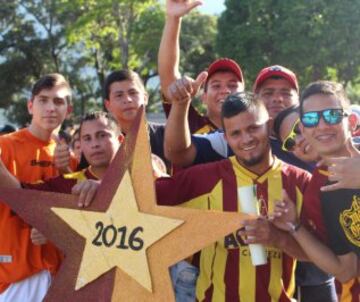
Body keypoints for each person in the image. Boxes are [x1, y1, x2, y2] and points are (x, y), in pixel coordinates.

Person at [156, 91, 311, 301]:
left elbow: (318, 256)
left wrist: (277, 238)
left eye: (253, 128)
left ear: (269, 125)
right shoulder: (205, 179)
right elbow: (144, 195)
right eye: (235, 133)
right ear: (225, 136)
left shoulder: (300, 182)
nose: (246, 139)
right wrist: (97, 186)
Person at [273, 81, 360, 300]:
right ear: (303, 128)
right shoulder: (317, 191)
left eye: (331, 115)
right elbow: (345, 270)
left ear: (351, 121)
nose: (321, 126)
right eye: (311, 119)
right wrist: (294, 226)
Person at [0, 73, 78, 302]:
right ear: (30, 105)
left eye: (58, 101)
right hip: (15, 274)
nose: (51, 108)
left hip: (59, 275)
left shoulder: (70, 158)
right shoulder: (5, 147)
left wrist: (66, 172)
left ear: (68, 110)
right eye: (43, 100)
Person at [164, 64, 307, 170]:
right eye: (268, 93)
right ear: (255, 99)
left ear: (298, 100)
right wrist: (181, 104)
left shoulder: (319, 132)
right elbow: (177, 153)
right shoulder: (231, 139)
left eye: (286, 93)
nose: (277, 99)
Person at [273, 106, 338, 301]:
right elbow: (341, 267)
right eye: (290, 143)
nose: (299, 141)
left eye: (299, 129)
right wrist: (293, 226)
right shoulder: (315, 188)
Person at [158, 0, 245, 134]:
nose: (225, 91)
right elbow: (168, 77)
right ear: (204, 97)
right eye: (216, 85)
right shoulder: (188, 123)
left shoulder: (257, 133)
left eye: (232, 85)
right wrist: (173, 19)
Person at [103, 69, 169, 170]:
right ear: (108, 105)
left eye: (133, 93)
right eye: (119, 95)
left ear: (145, 98)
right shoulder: (102, 143)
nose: (127, 100)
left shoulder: (167, 134)